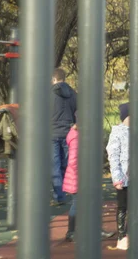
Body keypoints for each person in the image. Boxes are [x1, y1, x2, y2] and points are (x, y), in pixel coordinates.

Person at [106, 103, 138, 250]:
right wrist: (117, 178)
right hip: (124, 176)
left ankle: (132, 233)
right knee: (123, 207)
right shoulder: (117, 132)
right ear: (125, 117)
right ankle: (122, 236)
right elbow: (113, 156)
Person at [63, 113, 115, 242]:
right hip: (79, 177)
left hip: (81, 176)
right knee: (79, 204)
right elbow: (73, 161)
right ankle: (72, 232)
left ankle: (92, 230)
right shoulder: (76, 138)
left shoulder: (80, 136)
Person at [51, 68, 77, 205]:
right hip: (68, 132)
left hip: (52, 132)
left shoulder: (48, 94)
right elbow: (78, 111)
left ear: (54, 79)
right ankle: (70, 191)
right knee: (67, 164)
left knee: (54, 165)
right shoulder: (73, 94)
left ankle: (59, 196)